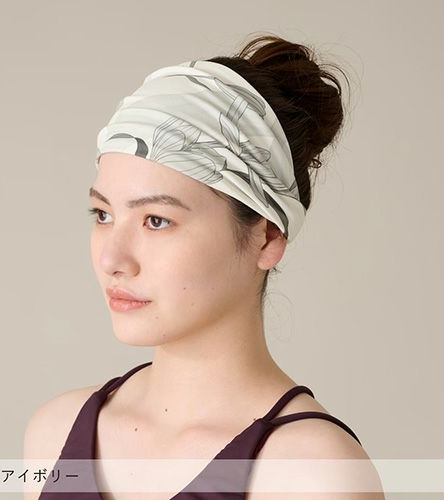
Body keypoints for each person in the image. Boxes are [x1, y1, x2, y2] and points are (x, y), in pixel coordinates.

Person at [24, 33, 385, 499]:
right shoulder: (55, 432)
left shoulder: (313, 474)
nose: (112, 259)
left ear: (267, 238)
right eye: (103, 214)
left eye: (157, 220)